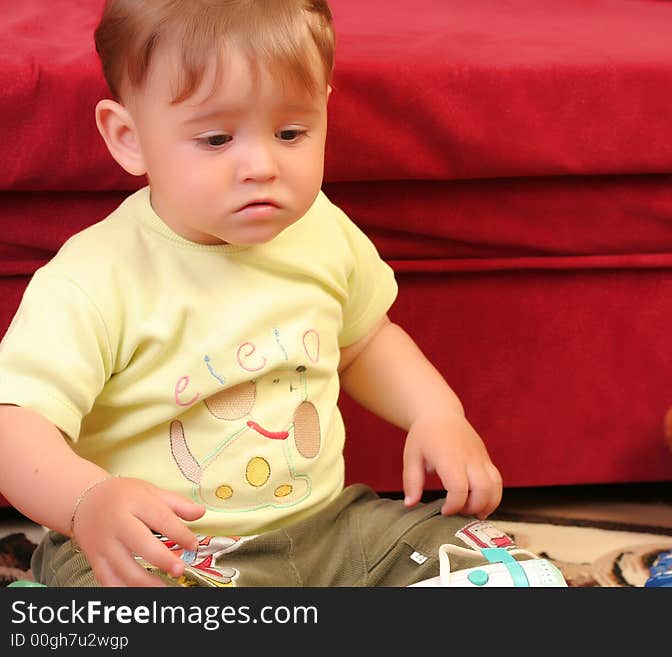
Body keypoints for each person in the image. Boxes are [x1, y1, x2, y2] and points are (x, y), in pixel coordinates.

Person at [0, 0, 504, 587]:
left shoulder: (321, 228)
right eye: (216, 139)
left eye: (291, 132)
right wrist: (87, 500)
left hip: (324, 531)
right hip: (162, 554)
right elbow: (16, 422)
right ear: (129, 137)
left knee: (481, 559)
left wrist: (437, 413)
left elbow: (365, 342)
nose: (261, 165)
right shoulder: (93, 277)